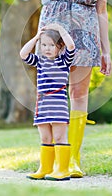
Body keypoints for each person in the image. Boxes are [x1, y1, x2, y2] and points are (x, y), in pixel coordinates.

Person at [11, 0, 112, 178]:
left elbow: (102, 10)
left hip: (86, 30)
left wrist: (106, 51)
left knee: (79, 94)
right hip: (52, 29)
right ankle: (50, 162)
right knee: (49, 91)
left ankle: (72, 161)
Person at [20, 23, 76, 181]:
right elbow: (23, 54)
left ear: (60, 47)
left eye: (51, 45)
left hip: (58, 105)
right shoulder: (39, 61)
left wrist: (61, 29)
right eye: (44, 45)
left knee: (59, 137)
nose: (47, 48)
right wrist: (37, 37)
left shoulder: (64, 61)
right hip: (43, 105)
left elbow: (71, 45)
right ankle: (45, 168)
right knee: (45, 138)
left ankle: (63, 170)